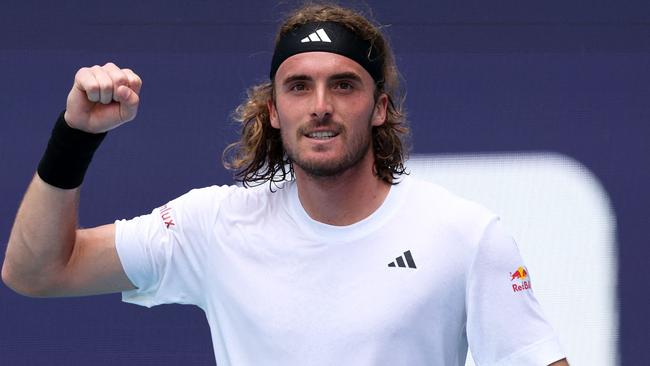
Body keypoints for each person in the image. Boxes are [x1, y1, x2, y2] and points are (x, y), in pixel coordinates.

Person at [2, 3, 569, 365]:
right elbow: (36, 272)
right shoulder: (213, 225)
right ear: (273, 110)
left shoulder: (466, 236)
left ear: (379, 108)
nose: (320, 107)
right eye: (299, 87)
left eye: (344, 85)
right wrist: (75, 136)